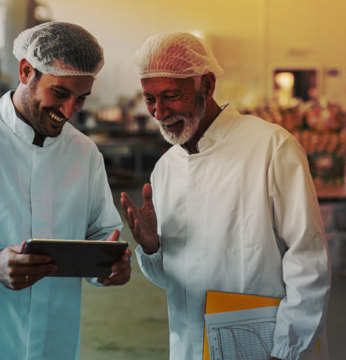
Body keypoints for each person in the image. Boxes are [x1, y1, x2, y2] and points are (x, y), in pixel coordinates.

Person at [0, 22, 131, 360]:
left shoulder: (83, 153)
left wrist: (110, 266)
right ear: (26, 71)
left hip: (53, 340)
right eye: (60, 93)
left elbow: (100, 233)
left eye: (80, 99)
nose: (69, 111)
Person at [121, 32, 330, 360]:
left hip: (268, 347)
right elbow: (172, 280)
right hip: (190, 346)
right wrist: (151, 247)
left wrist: (285, 349)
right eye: (150, 99)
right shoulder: (166, 170)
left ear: (206, 85)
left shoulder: (271, 148)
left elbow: (308, 258)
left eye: (171, 96)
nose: (159, 112)